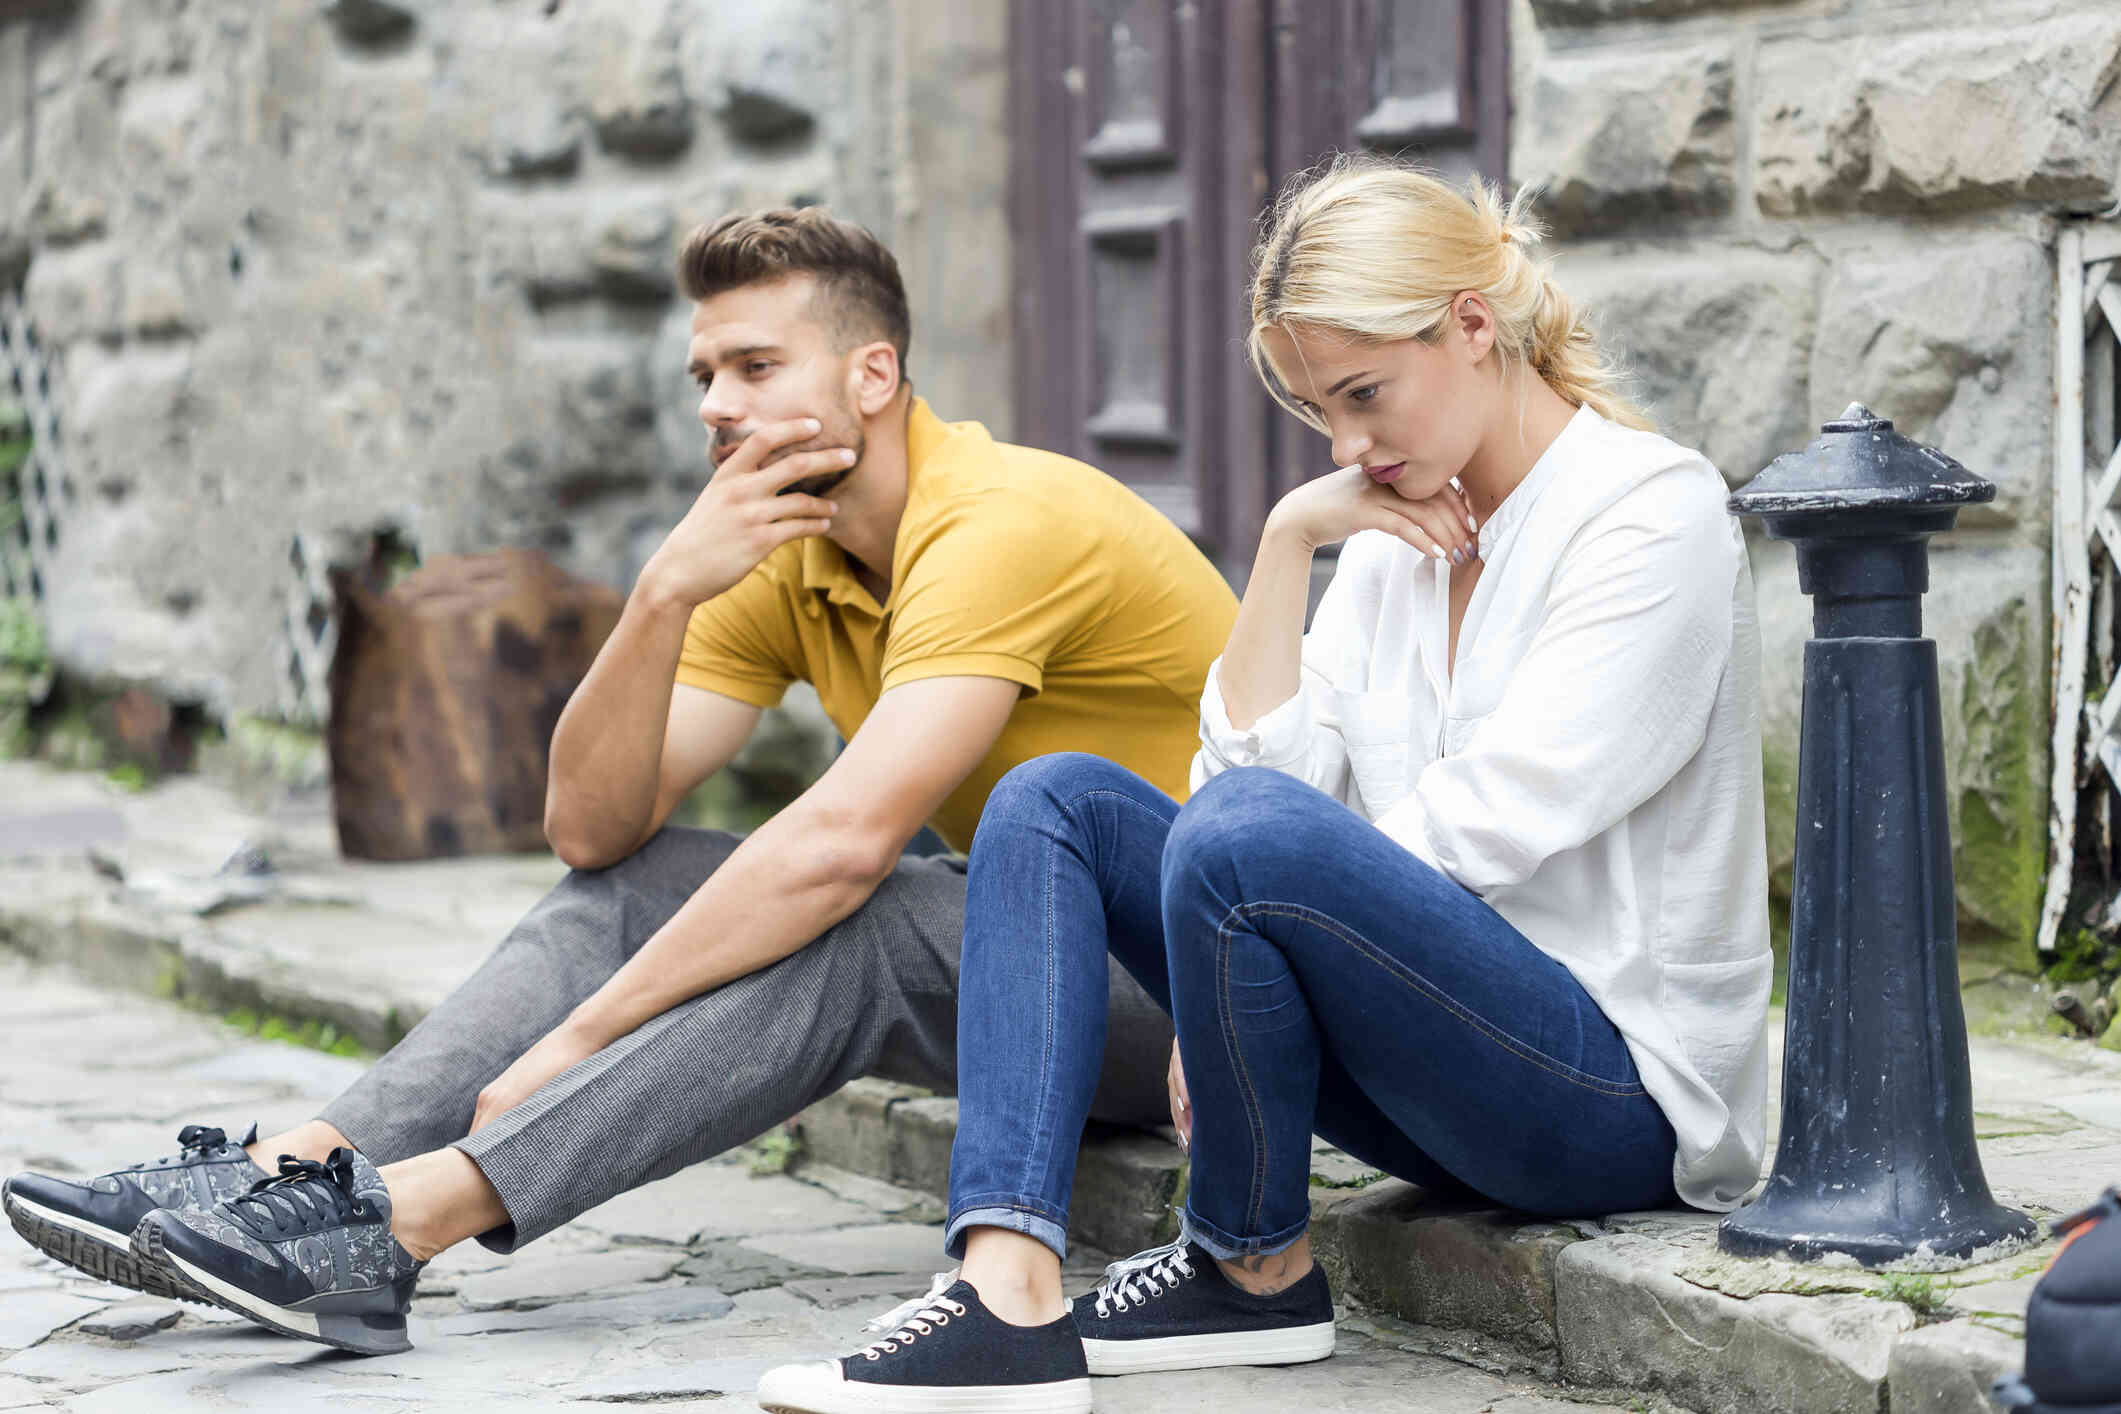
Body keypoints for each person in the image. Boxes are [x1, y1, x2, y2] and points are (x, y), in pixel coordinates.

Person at [2, 207, 1238, 1358]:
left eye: (757, 367)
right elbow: (592, 827)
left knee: (857, 912)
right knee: (642, 885)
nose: (718, 403)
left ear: (873, 376)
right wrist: (664, 590)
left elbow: (845, 844)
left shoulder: (999, 521)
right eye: (706, 375)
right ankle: (299, 1171)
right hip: (1028, 965)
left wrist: (577, 1038)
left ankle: (398, 1225)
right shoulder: (780, 544)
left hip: (1191, 1002)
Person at [757, 154, 1772, 1414]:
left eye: (1363, 394)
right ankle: (1008, 1286)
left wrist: (1251, 920)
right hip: (1433, 1069)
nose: (1350, 444)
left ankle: (1243, 1256)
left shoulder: (1649, 511)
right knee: (1053, 798)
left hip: (1615, 1100)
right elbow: (1249, 785)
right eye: (1316, 415)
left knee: (1242, 836)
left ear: (1470, 324)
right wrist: (1291, 540)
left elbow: (1501, 809)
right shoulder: (1394, 532)